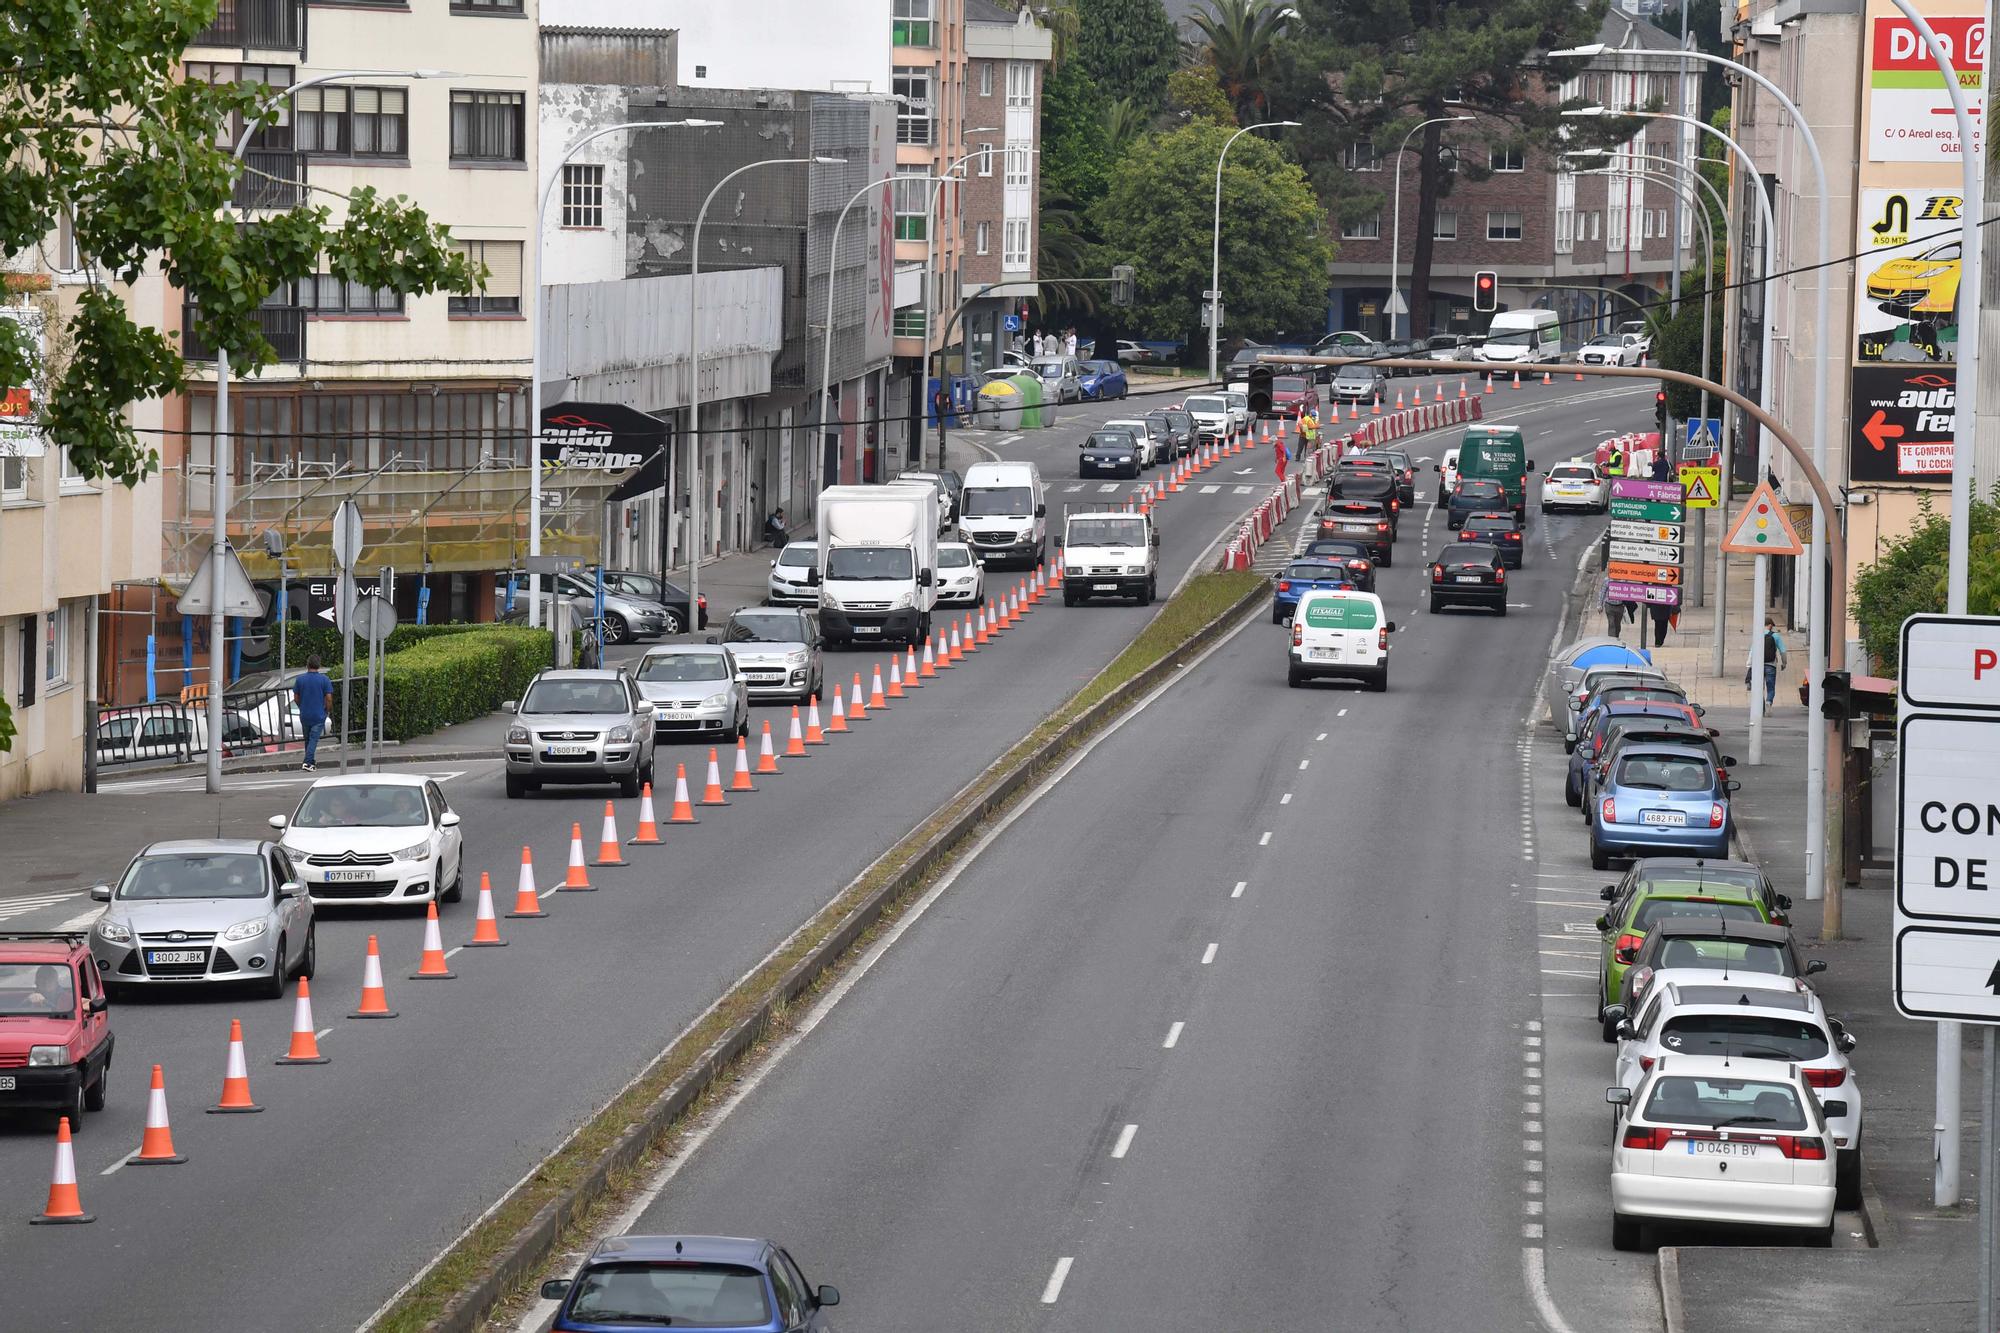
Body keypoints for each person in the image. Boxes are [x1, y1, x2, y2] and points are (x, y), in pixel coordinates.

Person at [293, 655, 334, 772]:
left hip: (305, 713)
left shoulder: (300, 679)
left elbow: (296, 697)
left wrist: (301, 706)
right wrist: (327, 709)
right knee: (313, 739)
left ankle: (310, 761)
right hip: (318, 713)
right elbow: (329, 698)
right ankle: (307, 762)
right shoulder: (324, 680)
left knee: (308, 739)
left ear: (307, 665)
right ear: (319, 665)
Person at [1748, 616, 1788, 706]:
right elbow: (1783, 651)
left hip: (1758, 665)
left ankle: (1760, 704)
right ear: (1769, 625)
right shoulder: (1775, 636)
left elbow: (1752, 650)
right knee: (1770, 688)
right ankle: (1769, 701)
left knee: (1759, 687)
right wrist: (1784, 663)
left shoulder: (1757, 635)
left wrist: (1750, 664)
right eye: (1772, 626)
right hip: (1771, 665)